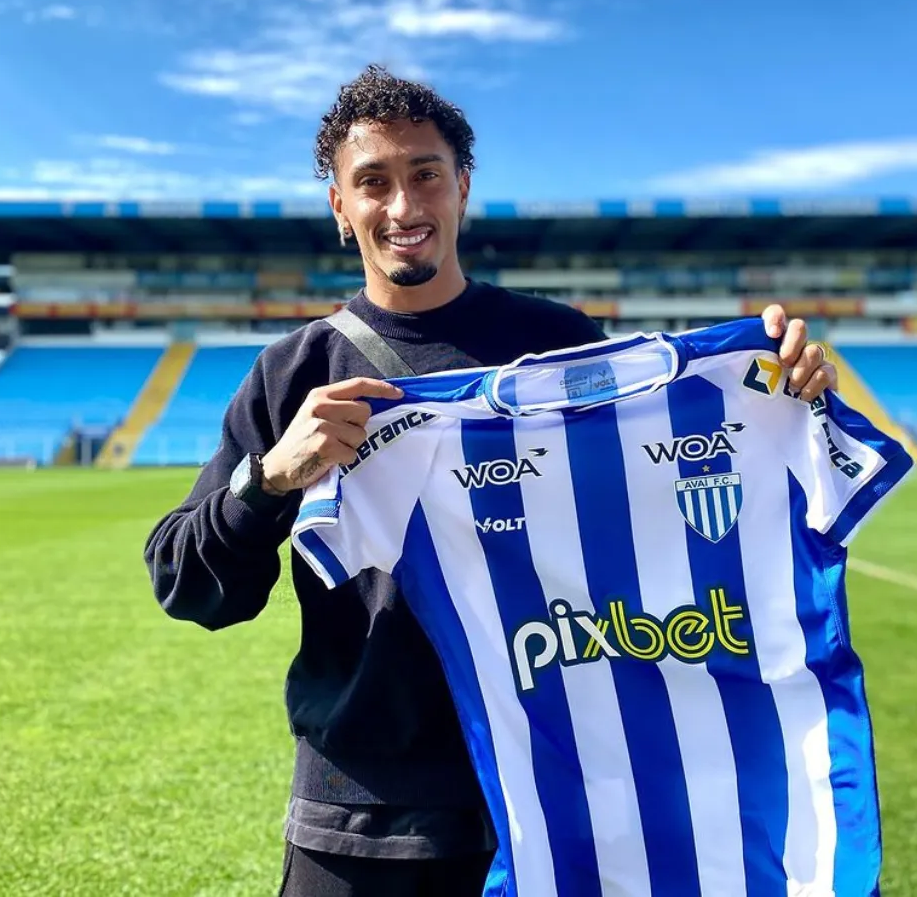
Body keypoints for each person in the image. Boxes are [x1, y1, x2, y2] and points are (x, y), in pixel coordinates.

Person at [143, 64, 838, 897]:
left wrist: (775, 388)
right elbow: (188, 585)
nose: (402, 208)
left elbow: (671, 501)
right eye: (373, 183)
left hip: (567, 794)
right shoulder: (297, 372)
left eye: (424, 175)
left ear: (461, 188)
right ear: (340, 206)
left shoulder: (560, 344)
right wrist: (274, 478)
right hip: (368, 814)